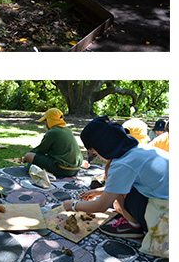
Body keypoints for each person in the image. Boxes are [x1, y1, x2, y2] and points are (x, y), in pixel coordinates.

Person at [63, 115, 169, 251]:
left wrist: (73, 205)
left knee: (116, 195)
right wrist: (99, 191)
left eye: (95, 151)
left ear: (102, 148)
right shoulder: (140, 149)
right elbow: (132, 180)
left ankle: (134, 226)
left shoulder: (121, 164)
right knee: (118, 188)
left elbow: (102, 206)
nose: (97, 155)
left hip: (165, 217)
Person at [23, 107, 86, 177]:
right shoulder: (68, 130)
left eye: (45, 121)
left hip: (63, 169)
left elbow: (40, 151)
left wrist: (26, 158)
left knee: (28, 156)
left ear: (49, 121)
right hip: (76, 168)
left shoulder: (52, 132)